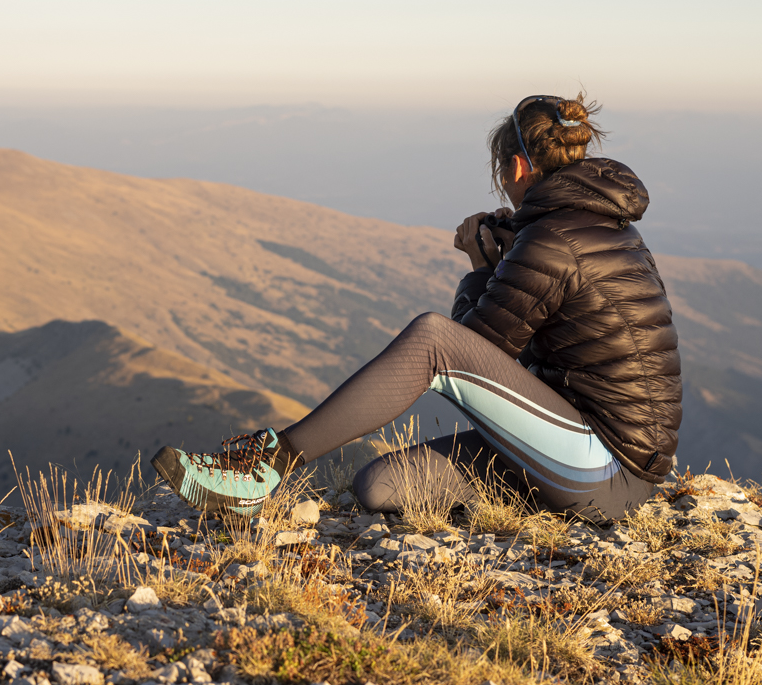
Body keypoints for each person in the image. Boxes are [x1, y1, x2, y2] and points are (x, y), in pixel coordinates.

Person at [151, 93, 681, 524]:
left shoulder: (550, 240)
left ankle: (265, 468)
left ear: (519, 166)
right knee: (379, 487)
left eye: (501, 169)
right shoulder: (601, 224)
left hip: (607, 468)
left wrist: (478, 268)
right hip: (580, 449)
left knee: (430, 338)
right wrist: (500, 266)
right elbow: (507, 371)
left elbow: (469, 357)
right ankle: (536, 503)